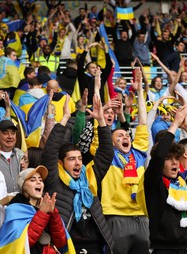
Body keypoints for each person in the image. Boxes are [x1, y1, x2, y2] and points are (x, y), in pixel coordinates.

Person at [42, 95, 115, 253]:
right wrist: (65, 119)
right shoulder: (54, 179)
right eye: (72, 159)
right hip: (68, 245)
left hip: (95, 245)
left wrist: (101, 122)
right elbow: (49, 152)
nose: (77, 163)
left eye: (80, 159)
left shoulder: (89, 176)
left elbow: (106, 154)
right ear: (61, 163)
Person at [140, 105, 187, 253]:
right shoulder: (153, 182)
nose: (174, 162)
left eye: (176, 158)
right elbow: (158, 156)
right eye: (169, 159)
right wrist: (175, 124)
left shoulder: (185, 183)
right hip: (164, 249)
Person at [101, 69, 149, 254]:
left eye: (125, 134)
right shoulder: (107, 155)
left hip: (141, 215)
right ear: (112, 141)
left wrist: (139, 92)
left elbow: (143, 123)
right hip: (115, 215)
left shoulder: (138, 154)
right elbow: (102, 129)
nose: (124, 136)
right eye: (118, 135)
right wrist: (104, 108)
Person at [0, 166, 74, 253]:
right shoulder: (14, 209)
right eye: (32, 180)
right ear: (24, 187)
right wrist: (42, 214)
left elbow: (61, 243)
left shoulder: (46, 207)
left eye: (40, 180)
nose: (38, 183)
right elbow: (23, 244)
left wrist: (53, 214)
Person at [0, 120, 25, 194]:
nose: (10, 136)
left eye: (13, 133)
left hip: (19, 203)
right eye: (5, 133)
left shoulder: (21, 155)